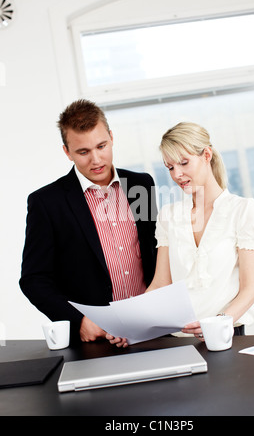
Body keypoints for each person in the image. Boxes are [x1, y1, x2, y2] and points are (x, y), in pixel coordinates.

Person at [108, 122, 254, 347]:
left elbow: (249, 289)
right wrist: (128, 324)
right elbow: (160, 284)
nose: (177, 174)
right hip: (178, 339)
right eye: (170, 167)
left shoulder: (244, 211)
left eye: (184, 163)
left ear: (207, 155)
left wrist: (218, 323)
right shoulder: (169, 215)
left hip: (226, 335)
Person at [19, 99, 157, 343]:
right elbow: (34, 280)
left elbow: (156, 254)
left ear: (111, 138)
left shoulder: (141, 185)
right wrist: (79, 321)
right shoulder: (47, 202)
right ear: (67, 152)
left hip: (151, 329)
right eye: (83, 152)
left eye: (101, 146)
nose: (96, 159)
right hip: (95, 341)